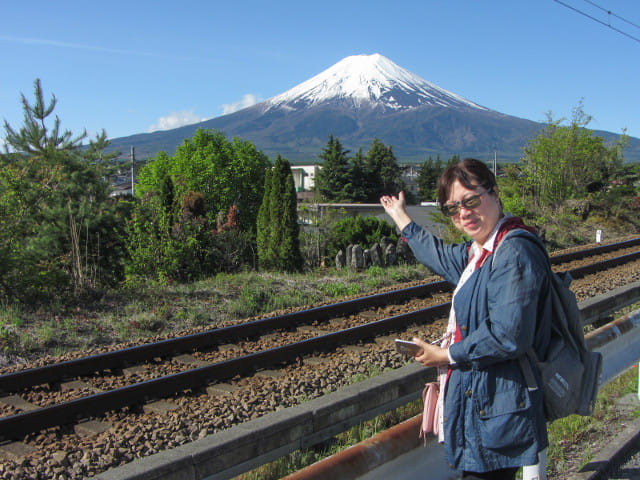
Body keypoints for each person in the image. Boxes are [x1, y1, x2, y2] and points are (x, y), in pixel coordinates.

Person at [380, 158, 551, 480]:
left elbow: (508, 334)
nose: (464, 214)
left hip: (499, 407)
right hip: (487, 404)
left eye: (472, 201)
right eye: (453, 208)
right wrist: (401, 217)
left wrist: (445, 354)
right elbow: (440, 256)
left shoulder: (512, 252)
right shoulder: (481, 252)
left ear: (495, 193)